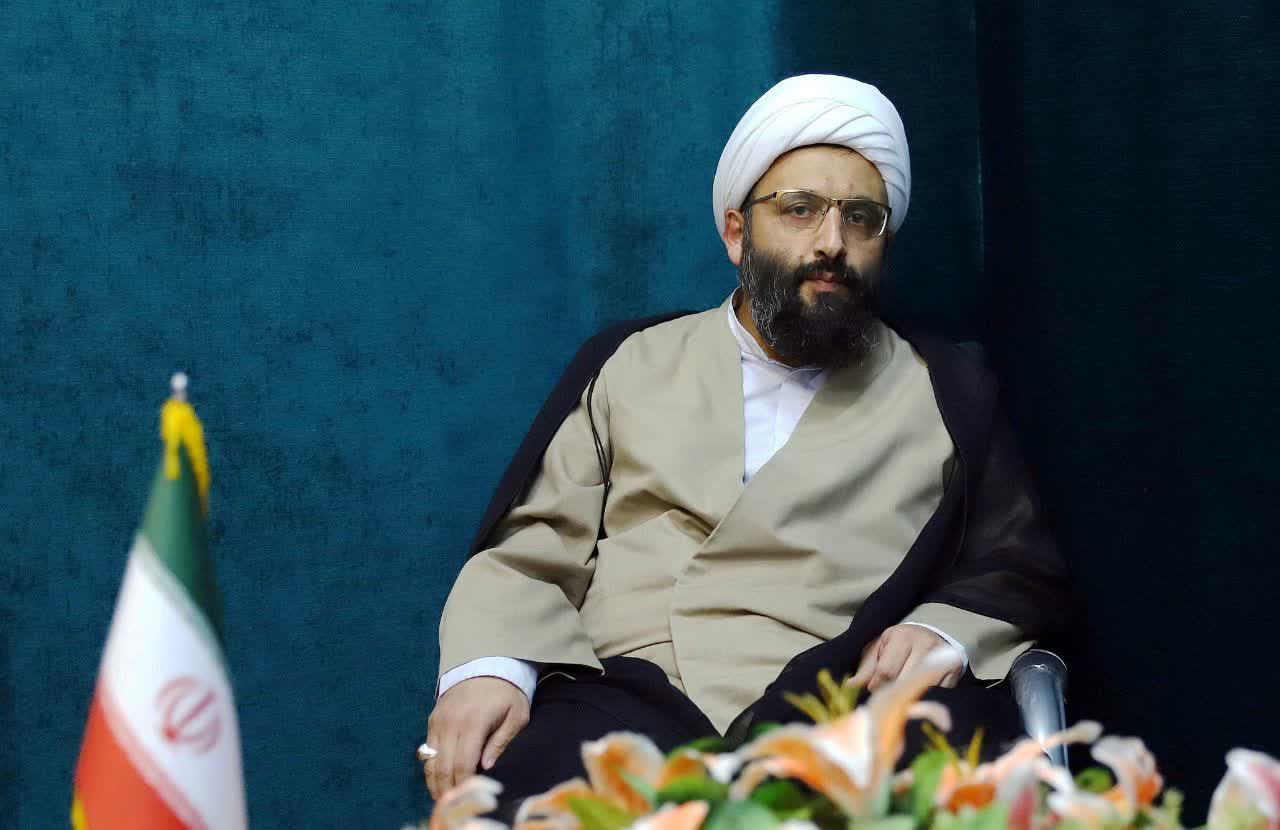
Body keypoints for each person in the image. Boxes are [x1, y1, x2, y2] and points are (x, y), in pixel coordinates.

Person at [422, 74, 1068, 820]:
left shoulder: (947, 388)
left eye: (861, 218)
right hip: (624, 694)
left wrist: (943, 631)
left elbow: (1018, 562)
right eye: (799, 210)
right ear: (736, 232)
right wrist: (492, 667)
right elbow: (533, 543)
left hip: (840, 701)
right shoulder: (630, 361)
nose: (832, 243)